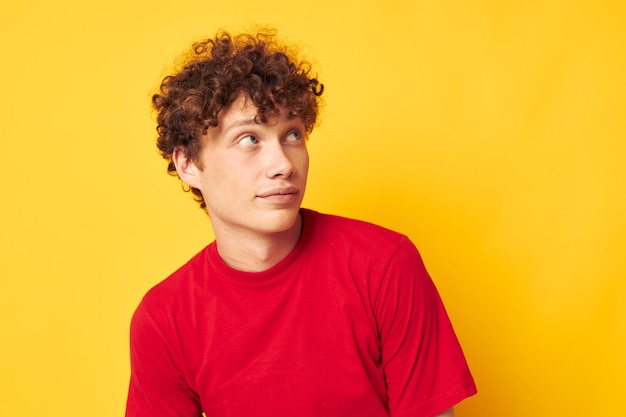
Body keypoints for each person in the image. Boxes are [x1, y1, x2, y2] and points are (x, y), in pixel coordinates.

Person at [126, 29, 477, 417]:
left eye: (292, 135)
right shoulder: (164, 319)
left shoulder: (385, 265)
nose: (283, 165)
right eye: (249, 140)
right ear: (188, 164)